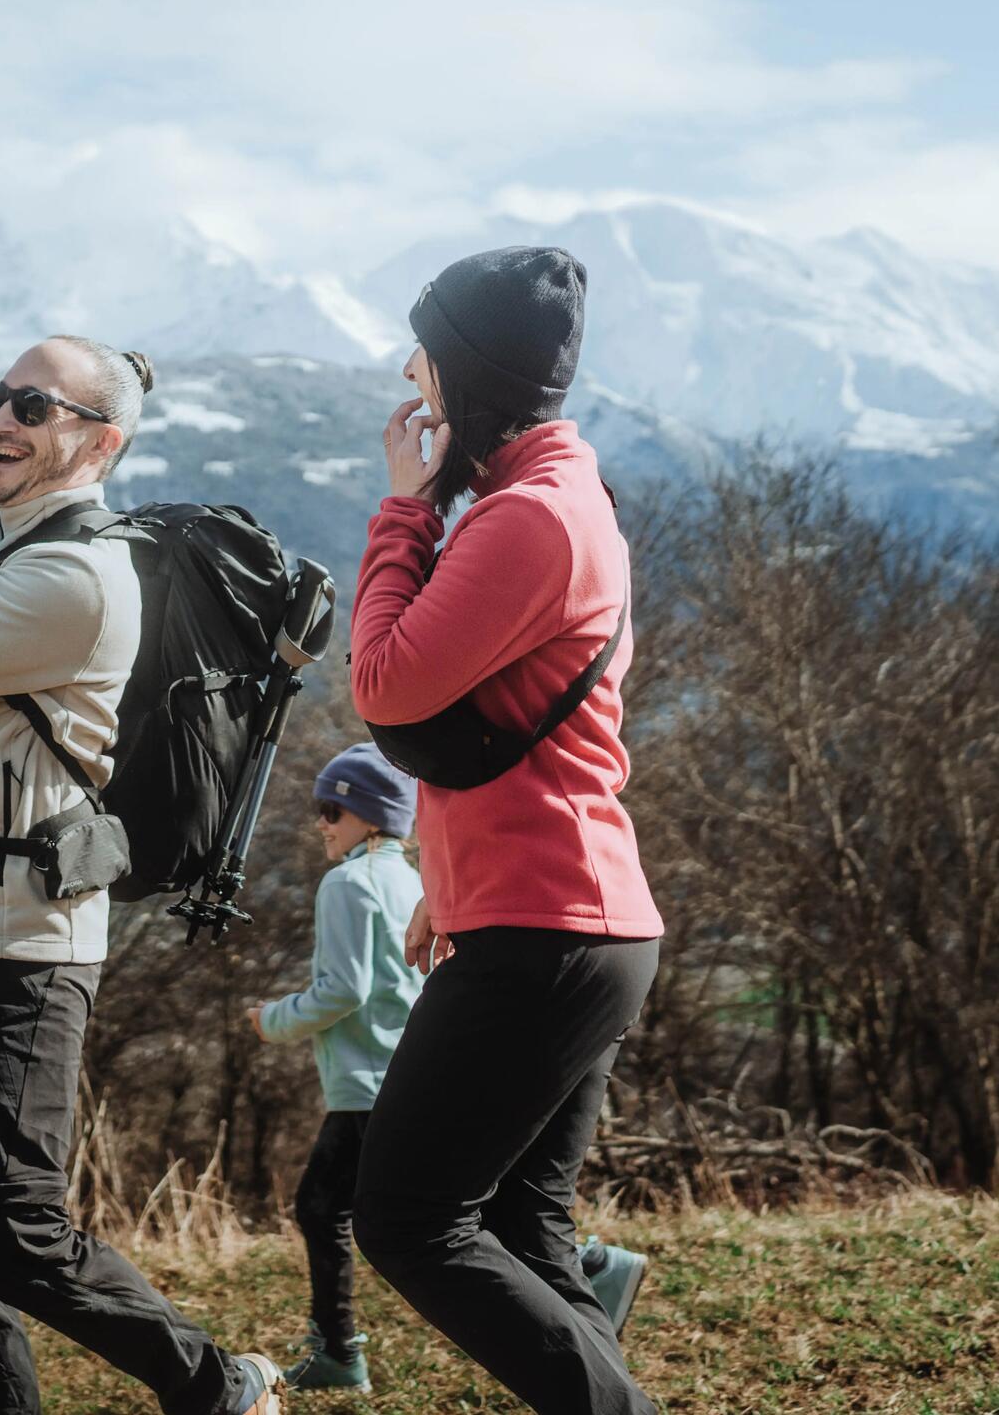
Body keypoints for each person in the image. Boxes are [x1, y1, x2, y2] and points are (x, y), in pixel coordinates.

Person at [0, 334, 286, 1415]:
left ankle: (222, 1388)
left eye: (34, 406)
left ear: (99, 442)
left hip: (13, 946)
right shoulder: (3, 535)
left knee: (15, 1234)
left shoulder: (76, 575)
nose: (3, 419)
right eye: (0, 397)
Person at [348, 245, 663, 1415]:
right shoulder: (554, 498)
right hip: (567, 914)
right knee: (526, 1228)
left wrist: (400, 509)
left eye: (423, 354)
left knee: (409, 1216)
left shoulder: (529, 516)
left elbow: (385, 683)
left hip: (549, 928)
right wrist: (452, 874)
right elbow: (517, 727)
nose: (409, 378)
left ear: (468, 373)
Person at [249, 742, 424, 1394]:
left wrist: (273, 1019)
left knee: (322, 1209)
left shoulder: (349, 882)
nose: (321, 821)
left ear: (371, 818)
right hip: (409, 1073)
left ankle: (338, 1355)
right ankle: (589, 1264)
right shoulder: (412, 879)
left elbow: (342, 990)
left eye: (332, 808)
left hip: (367, 1083)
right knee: (444, 1210)